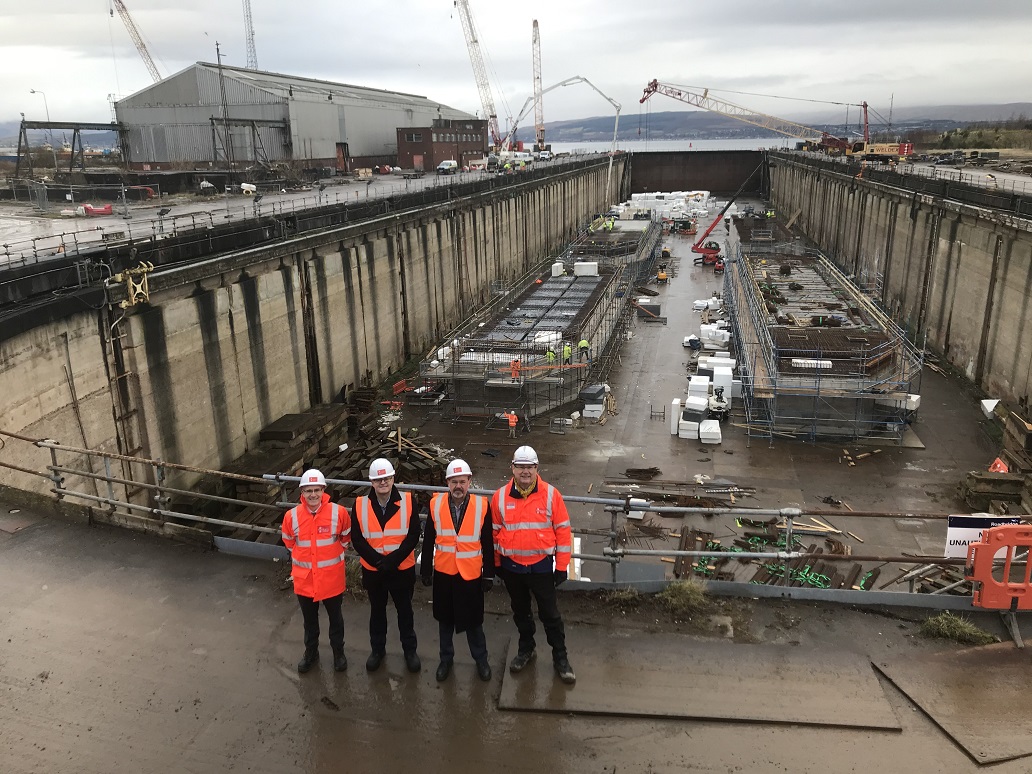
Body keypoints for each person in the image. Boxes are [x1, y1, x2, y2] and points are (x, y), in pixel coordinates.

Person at [491, 445, 575, 685]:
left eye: (529, 467)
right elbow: (494, 533)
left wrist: (561, 566)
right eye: (520, 466)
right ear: (512, 468)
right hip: (512, 568)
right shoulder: (500, 497)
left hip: (540, 568)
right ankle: (526, 648)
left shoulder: (551, 495)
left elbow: (563, 532)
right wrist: (497, 563)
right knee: (521, 612)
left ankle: (560, 658)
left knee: (551, 615)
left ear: (537, 468)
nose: (525, 471)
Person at [420, 459, 495, 683]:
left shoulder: (482, 506)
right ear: (447, 483)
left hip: (470, 576)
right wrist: (426, 569)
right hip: (444, 573)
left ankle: (481, 660)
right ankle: (446, 660)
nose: (458, 486)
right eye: (454, 482)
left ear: (469, 482)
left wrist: (488, 574)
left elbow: (487, 542)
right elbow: (429, 539)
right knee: (445, 621)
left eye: (462, 481)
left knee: (474, 623)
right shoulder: (435, 505)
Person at [351, 458, 422, 674]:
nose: (383, 482)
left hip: (401, 570)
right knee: (377, 612)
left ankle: (410, 651)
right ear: (372, 482)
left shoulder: (408, 501)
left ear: (393, 478)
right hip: (374, 571)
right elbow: (357, 539)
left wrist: (393, 560)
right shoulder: (360, 504)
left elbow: (413, 535)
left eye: (387, 478)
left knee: (405, 613)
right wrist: (377, 560)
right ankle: (377, 650)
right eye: (378, 479)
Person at [281, 469, 351, 674]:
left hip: (331, 579)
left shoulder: (339, 513)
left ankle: (338, 653)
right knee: (309, 622)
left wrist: (332, 554)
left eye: (317, 490)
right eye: (308, 490)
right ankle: (311, 652)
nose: (313, 495)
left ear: (323, 490)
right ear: (302, 492)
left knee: (336, 619)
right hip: (305, 580)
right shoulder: (291, 516)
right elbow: (288, 541)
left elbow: (346, 537)